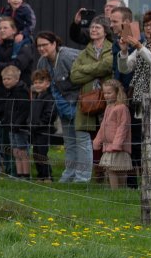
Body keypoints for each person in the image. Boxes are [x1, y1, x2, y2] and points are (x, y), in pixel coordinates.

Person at [117, 10, 151, 191]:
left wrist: (140, 47)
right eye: (146, 25)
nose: (149, 28)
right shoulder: (145, 45)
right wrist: (124, 51)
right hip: (142, 103)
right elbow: (125, 68)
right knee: (147, 146)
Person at [34, 32, 87, 182]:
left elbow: (86, 75)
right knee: (69, 142)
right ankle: (69, 174)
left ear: (54, 44)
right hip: (62, 106)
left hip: (79, 103)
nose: (42, 48)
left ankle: (82, 178)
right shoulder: (42, 62)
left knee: (82, 141)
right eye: (39, 46)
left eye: (45, 44)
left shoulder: (67, 56)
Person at [70, 17, 115, 179]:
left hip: (109, 98)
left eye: (97, 27)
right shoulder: (84, 52)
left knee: (108, 136)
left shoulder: (112, 49)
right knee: (87, 137)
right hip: (88, 100)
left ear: (105, 30)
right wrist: (97, 70)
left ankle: (109, 173)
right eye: (91, 27)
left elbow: (108, 65)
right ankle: (90, 175)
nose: (93, 30)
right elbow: (74, 76)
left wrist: (86, 70)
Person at [93, 79, 132, 189]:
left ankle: (120, 191)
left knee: (119, 169)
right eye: (104, 93)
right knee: (110, 169)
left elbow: (122, 127)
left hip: (118, 147)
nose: (106, 96)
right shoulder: (108, 107)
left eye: (109, 93)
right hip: (108, 145)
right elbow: (103, 126)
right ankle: (114, 192)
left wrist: (117, 144)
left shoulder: (122, 108)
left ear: (117, 92)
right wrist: (97, 140)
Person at [0, 65, 31, 178]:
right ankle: (19, 174)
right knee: (15, 151)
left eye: (8, 78)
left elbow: (24, 110)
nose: (6, 81)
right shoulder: (10, 92)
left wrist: (18, 123)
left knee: (22, 151)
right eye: (4, 79)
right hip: (11, 126)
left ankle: (26, 174)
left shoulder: (21, 92)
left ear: (16, 79)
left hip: (20, 127)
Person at [28, 69, 57, 182]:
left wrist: (40, 124)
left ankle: (48, 176)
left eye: (40, 82)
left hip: (44, 130)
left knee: (42, 153)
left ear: (48, 83)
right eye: (35, 83)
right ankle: (41, 175)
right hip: (34, 130)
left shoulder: (49, 98)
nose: (37, 85)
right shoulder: (35, 97)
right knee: (36, 153)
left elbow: (49, 115)